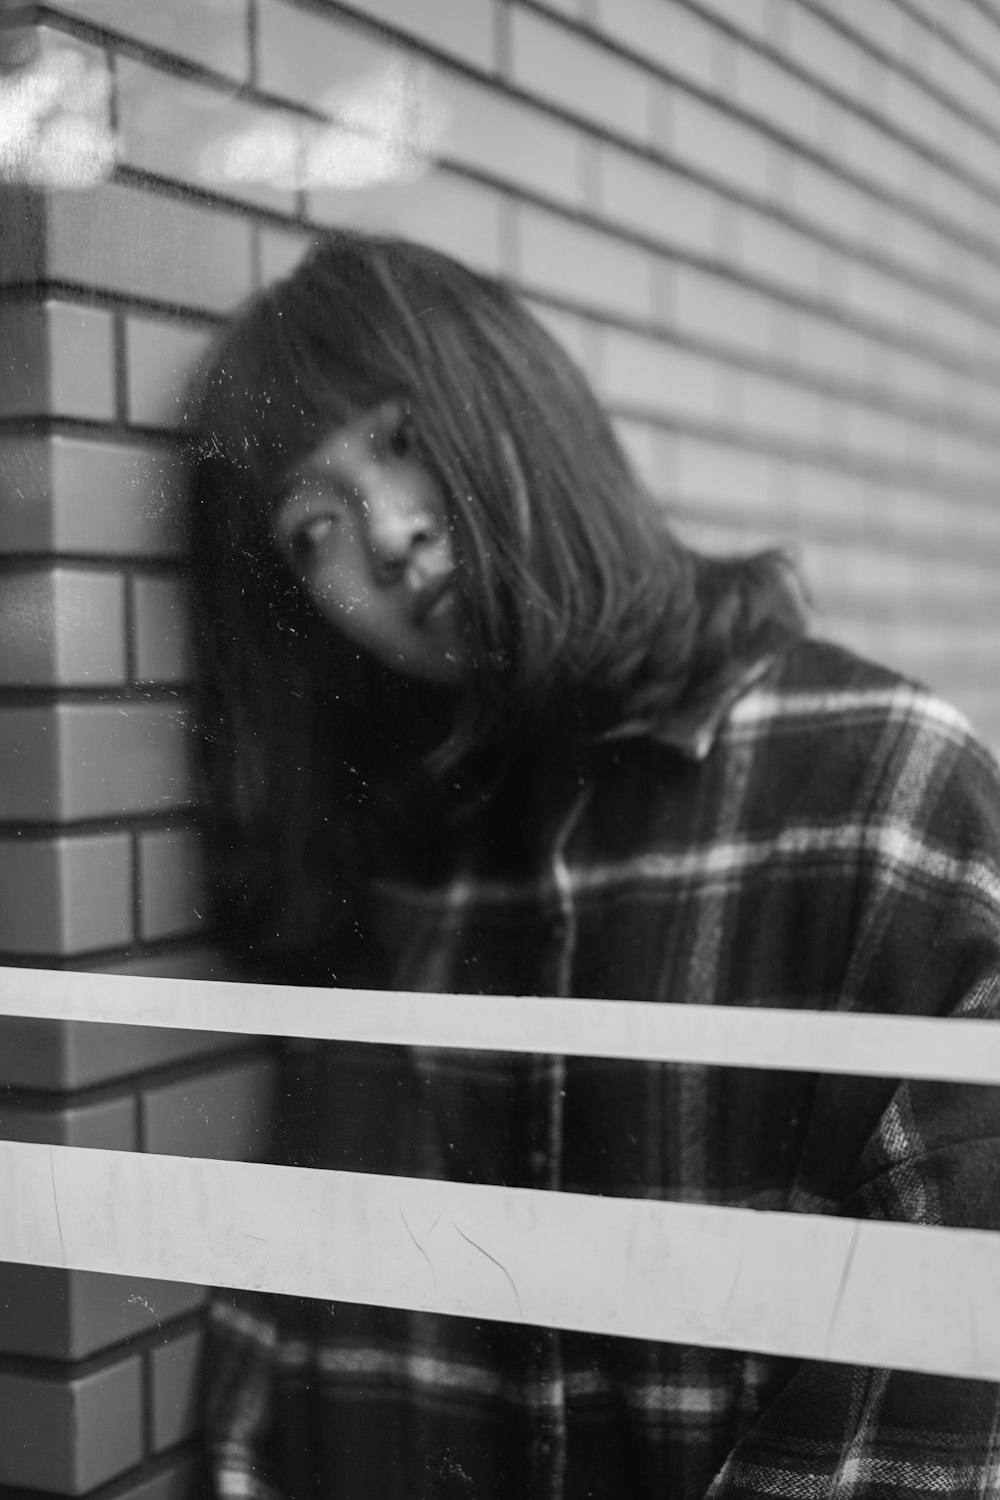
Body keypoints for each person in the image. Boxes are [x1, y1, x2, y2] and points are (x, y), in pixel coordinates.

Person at [185, 230, 1000, 1500]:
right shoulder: (402, 874)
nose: (390, 539)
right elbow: (281, 1347)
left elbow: (954, 1357)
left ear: (516, 407)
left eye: (402, 441)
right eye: (311, 529)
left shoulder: (874, 784)